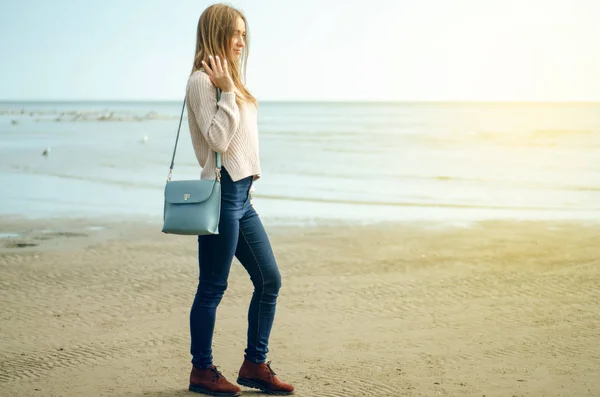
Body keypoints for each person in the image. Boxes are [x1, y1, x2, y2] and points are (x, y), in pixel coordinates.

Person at [184, 4, 295, 396]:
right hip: (222, 194)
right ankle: (202, 370)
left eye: (244, 34)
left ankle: (255, 363)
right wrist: (228, 92)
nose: (241, 41)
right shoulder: (203, 82)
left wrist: (232, 88)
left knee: (269, 280)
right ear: (216, 32)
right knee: (213, 286)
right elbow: (216, 141)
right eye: (235, 33)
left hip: (243, 197)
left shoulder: (231, 79)